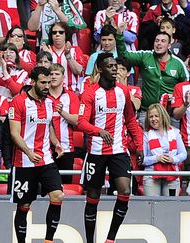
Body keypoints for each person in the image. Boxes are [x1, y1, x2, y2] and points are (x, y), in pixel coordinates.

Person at [78, 53, 143, 243]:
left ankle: (110, 239)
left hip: (119, 150)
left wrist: (138, 145)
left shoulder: (123, 92)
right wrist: (99, 131)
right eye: (110, 66)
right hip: (97, 152)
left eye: (116, 66)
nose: (115, 69)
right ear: (100, 69)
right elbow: (81, 122)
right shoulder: (90, 93)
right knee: (93, 196)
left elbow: (131, 120)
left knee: (124, 191)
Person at [9, 66, 64, 243]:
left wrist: (56, 144)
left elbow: (49, 126)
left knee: (57, 195)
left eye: (49, 82)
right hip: (24, 161)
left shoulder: (50, 103)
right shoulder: (18, 102)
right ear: (33, 82)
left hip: (46, 159)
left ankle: (48, 240)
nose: (47, 86)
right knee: (24, 205)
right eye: (43, 83)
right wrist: (28, 152)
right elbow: (14, 133)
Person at [116, 22, 189, 126]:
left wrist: (175, 96)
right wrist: (119, 35)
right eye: (157, 41)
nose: (159, 43)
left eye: (163, 41)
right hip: (147, 112)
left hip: (169, 113)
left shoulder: (178, 63)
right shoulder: (145, 56)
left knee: (171, 141)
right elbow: (124, 55)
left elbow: (186, 86)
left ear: (169, 45)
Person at [142, 103, 186, 196]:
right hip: (151, 176)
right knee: (152, 207)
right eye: (151, 117)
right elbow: (142, 159)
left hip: (172, 175)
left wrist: (172, 159)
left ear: (163, 116)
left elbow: (183, 154)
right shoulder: (145, 135)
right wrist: (156, 158)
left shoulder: (175, 132)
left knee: (170, 207)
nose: (154, 119)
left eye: (156, 116)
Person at [48, 63, 79, 184]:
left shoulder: (71, 96)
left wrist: (62, 112)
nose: (53, 77)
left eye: (57, 74)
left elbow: (77, 120)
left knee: (65, 185)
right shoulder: (43, 96)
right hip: (45, 148)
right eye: (51, 74)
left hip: (67, 147)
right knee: (47, 186)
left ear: (63, 77)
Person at [40, 22, 86, 93]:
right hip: (50, 92)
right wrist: (48, 57)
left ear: (66, 35)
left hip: (71, 91)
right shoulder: (46, 51)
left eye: (61, 32)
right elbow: (41, 74)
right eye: (54, 33)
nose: (57, 34)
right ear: (51, 36)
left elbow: (79, 71)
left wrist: (68, 56)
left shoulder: (75, 50)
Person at [171, 79, 190, 195]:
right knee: (184, 188)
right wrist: (186, 103)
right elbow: (176, 115)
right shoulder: (181, 87)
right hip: (187, 142)